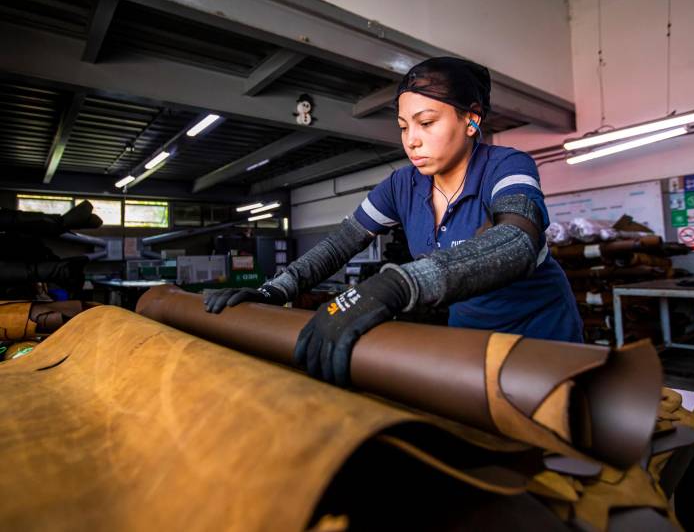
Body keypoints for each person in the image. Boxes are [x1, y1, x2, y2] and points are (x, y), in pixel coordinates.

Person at [205, 57, 583, 387]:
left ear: (471, 118)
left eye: (426, 122)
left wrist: (397, 285)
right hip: (471, 338)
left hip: (540, 338)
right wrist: (277, 289)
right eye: (403, 126)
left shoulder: (506, 166)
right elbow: (341, 243)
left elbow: (517, 239)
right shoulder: (402, 186)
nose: (411, 141)